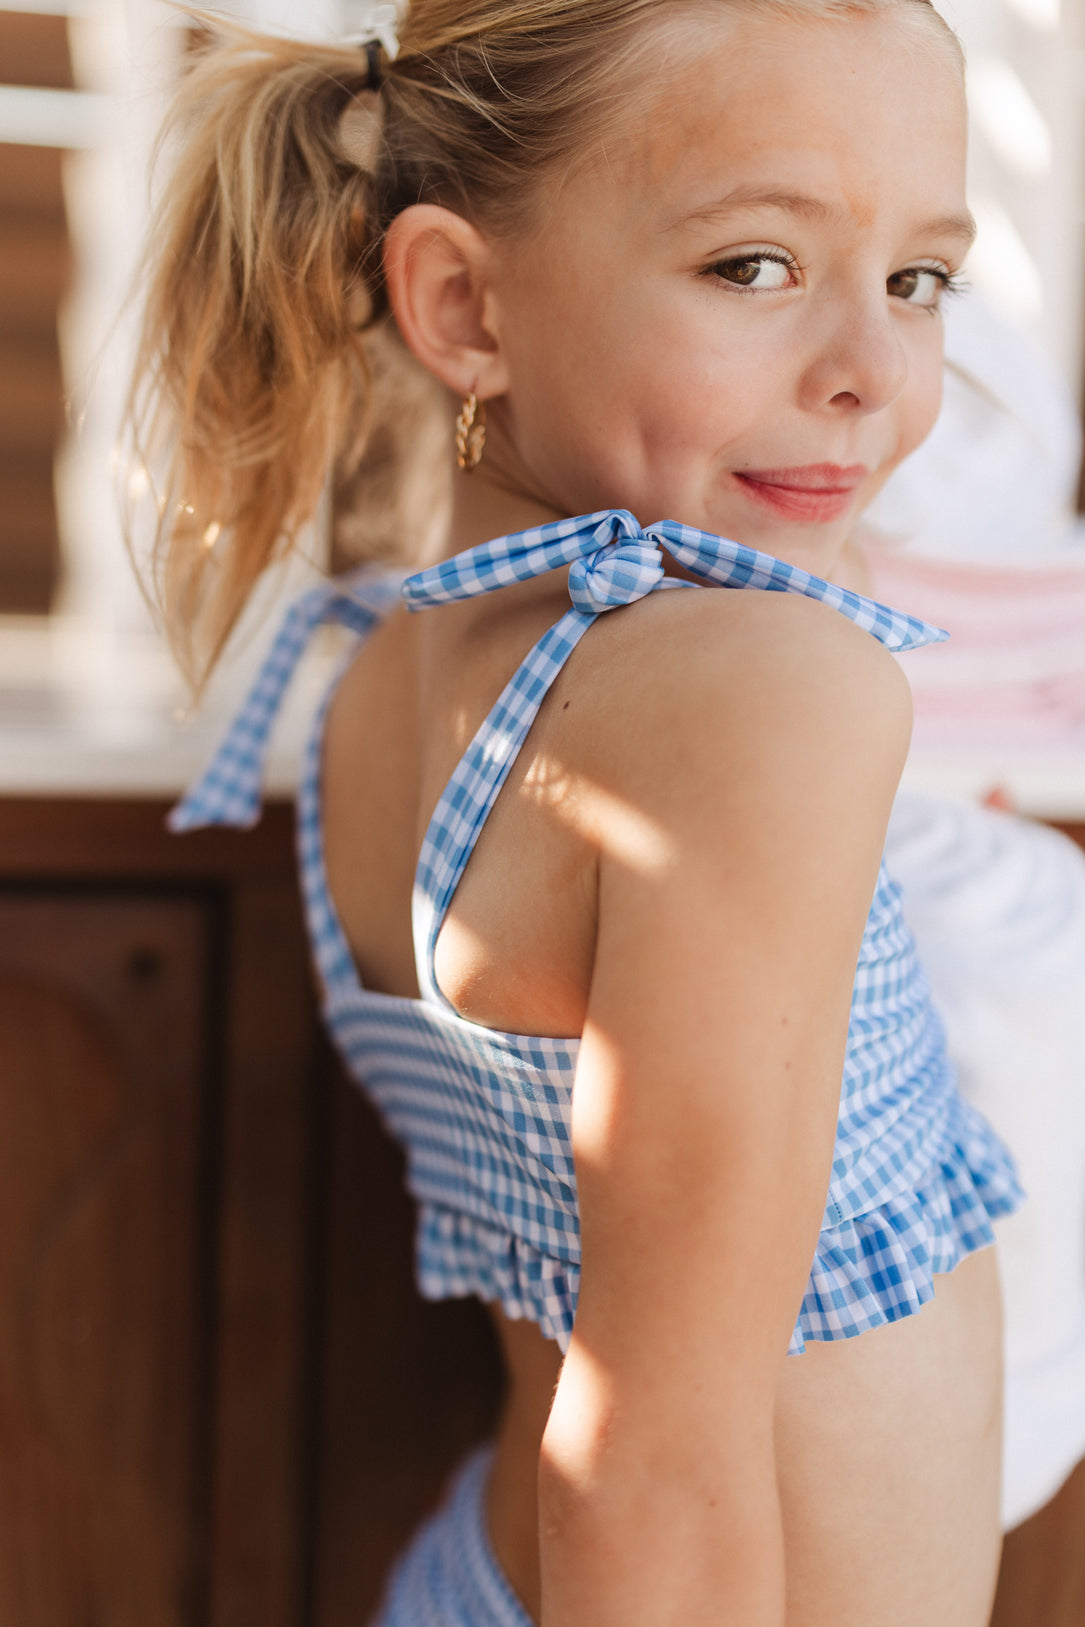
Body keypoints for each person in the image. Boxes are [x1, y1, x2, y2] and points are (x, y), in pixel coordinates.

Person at [133, 3, 1024, 1622]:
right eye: (753, 266)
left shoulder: (393, 654)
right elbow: (657, 1453)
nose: (872, 371)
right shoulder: (759, 695)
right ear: (462, 305)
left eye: (918, 279)